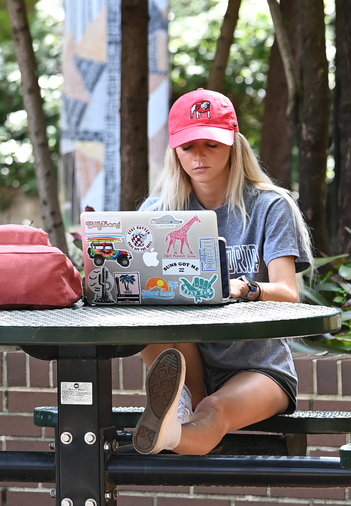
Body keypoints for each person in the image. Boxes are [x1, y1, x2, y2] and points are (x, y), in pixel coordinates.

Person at [131, 88, 314, 456]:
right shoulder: (158, 211)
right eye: (188, 147)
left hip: (257, 366)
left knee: (212, 410)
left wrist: (245, 289)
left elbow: (288, 292)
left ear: (234, 145)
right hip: (192, 355)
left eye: (211, 144)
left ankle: (169, 433)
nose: (198, 156)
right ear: (174, 153)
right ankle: (177, 401)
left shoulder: (270, 206)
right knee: (148, 309)